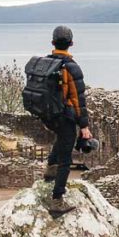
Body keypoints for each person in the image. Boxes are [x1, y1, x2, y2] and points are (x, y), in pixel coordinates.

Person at [42, 25, 91, 216]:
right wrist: (84, 126)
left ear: (53, 43)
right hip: (64, 115)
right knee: (66, 159)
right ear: (71, 44)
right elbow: (79, 100)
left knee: (61, 139)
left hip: (47, 115)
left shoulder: (45, 63)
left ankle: (48, 171)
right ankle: (57, 200)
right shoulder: (71, 67)